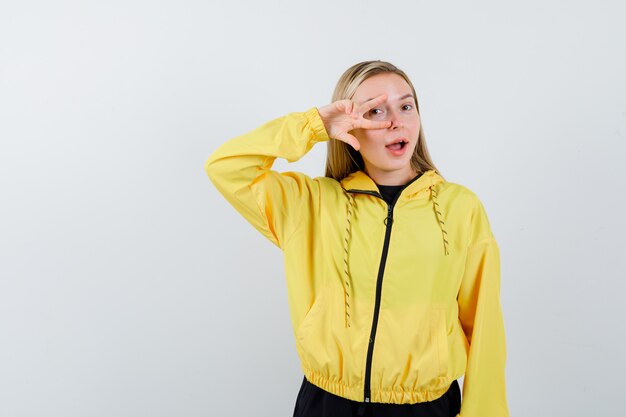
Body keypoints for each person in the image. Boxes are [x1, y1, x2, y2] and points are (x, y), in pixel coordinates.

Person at [204, 60, 509, 417]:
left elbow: (485, 325)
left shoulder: (460, 208)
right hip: (327, 404)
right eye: (375, 111)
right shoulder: (312, 205)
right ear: (350, 127)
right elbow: (225, 167)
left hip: (425, 408)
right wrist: (314, 125)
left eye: (405, 106)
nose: (396, 120)